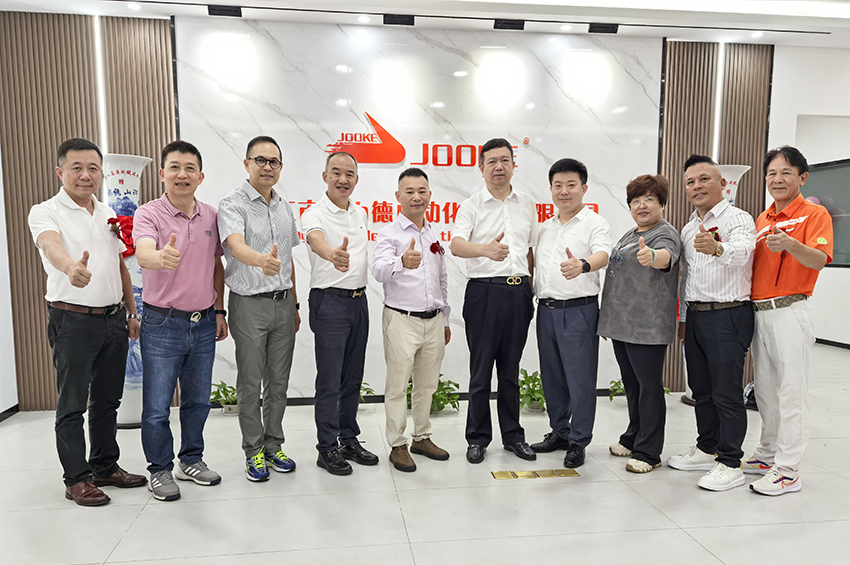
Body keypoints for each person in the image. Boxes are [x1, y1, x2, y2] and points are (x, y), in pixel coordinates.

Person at [28, 138, 146, 506]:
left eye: (93, 168)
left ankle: (105, 466)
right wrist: (70, 267)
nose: (85, 175)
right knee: (73, 403)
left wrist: (131, 311)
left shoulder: (107, 212)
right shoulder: (45, 211)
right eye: (76, 168)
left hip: (113, 320)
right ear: (60, 171)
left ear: (101, 173)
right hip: (72, 320)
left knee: (107, 401)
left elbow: (120, 266)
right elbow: (50, 245)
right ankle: (76, 479)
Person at [134, 140, 228, 501]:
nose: (182, 174)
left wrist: (219, 311)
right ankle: (159, 469)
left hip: (203, 323)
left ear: (201, 176)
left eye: (190, 168)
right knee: (157, 406)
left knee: (198, 401)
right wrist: (160, 258)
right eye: (174, 167)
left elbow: (216, 266)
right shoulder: (149, 214)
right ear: (162, 173)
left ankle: (191, 460)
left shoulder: (211, 216)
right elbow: (143, 252)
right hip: (162, 323)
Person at [745, 146, 833, 496]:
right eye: (771, 173)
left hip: (791, 311)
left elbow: (819, 260)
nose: (777, 179)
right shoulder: (762, 219)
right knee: (765, 391)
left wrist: (791, 244)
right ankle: (767, 455)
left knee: (791, 393)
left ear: (802, 177)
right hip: (759, 313)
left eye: (785, 172)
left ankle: (788, 471)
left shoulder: (814, 214)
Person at [667, 154, 756, 492]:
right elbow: (686, 278)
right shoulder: (688, 227)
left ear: (722, 183)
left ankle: (731, 462)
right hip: (697, 316)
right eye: (690, 182)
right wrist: (683, 319)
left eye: (704, 179)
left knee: (726, 393)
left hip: (729, 314)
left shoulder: (739, 218)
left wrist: (717, 248)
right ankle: (707, 448)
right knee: (701, 390)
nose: (697, 186)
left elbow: (744, 253)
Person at [450, 138, 537, 464]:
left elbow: (530, 250)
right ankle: (477, 438)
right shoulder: (471, 205)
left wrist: (530, 288)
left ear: (514, 164)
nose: (499, 167)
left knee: (511, 372)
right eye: (492, 162)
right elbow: (456, 245)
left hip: (519, 293)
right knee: (481, 371)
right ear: (481, 167)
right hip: (484, 293)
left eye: (505, 160)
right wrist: (485, 249)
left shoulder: (526, 203)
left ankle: (513, 437)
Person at [218, 136, 300, 482]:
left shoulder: (284, 206)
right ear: (247, 164)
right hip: (249, 305)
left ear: (280, 167)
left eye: (274, 161)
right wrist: (260, 261)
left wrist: (295, 303)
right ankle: (253, 451)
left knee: (278, 382)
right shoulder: (232, 203)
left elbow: (289, 260)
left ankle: (273, 445)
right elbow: (235, 247)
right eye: (260, 160)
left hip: (283, 304)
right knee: (251, 383)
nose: (268, 167)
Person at [597, 174, 682, 473]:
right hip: (623, 325)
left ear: (662, 203)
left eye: (649, 199)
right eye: (635, 201)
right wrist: (608, 321)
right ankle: (633, 437)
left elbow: (665, 257)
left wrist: (653, 256)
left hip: (647, 327)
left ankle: (649, 452)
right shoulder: (631, 233)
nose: (641, 205)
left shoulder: (664, 233)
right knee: (632, 385)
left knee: (649, 388)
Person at [531, 158, 611, 468]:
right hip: (546, 311)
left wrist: (583, 265)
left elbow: (603, 253)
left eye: (571, 185)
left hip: (579, 311)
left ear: (584, 188)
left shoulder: (594, 223)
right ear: (551, 189)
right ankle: (560, 432)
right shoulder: (545, 227)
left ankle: (579, 441)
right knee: (552, 378)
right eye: (558, 185)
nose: (564, 191)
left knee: (580, 380)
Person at [302, 151, 379, 475]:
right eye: (336, 172)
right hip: (330, 302)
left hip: (359, 301)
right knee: (330, 380)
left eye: (349, 174)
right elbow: (315, 239)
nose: (343, 179)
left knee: (352, 378)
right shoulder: (314, 212)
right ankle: (326, 448)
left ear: (356, 180)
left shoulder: (360, 213)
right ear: (325, 177)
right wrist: (332, 254)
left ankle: (348, 439)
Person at [371, 167, 451, 472]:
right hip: (401, 320)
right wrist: (401, 262)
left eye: (422, 191)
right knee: (397, 386)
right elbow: (378, 271)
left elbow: (442, 278)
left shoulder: (433, 233)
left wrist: (445, 319)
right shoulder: (389, 233)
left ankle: (422, 437)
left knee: (427, 385)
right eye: (410, 192)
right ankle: (397, 444)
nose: (416, 197)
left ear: (429, 195)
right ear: (398, 196)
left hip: (433, 320)